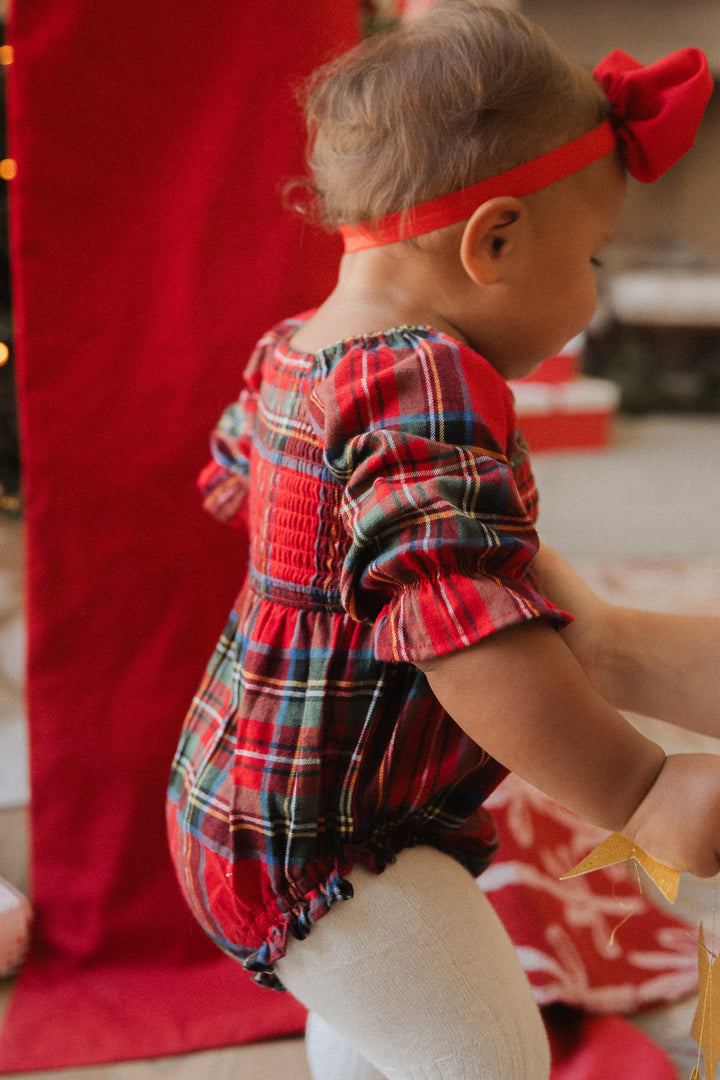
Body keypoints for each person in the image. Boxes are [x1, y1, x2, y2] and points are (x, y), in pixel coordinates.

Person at [166, 4, 715, 1077]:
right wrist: (640, 788)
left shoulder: (299, 347)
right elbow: (465, 641)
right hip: (329, 834)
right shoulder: (424, 379)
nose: (591, 299)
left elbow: (241, 482)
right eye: (593, 260)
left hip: (244, 798)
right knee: (488, 1056)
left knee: (381, 1016)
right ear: (495, 240)